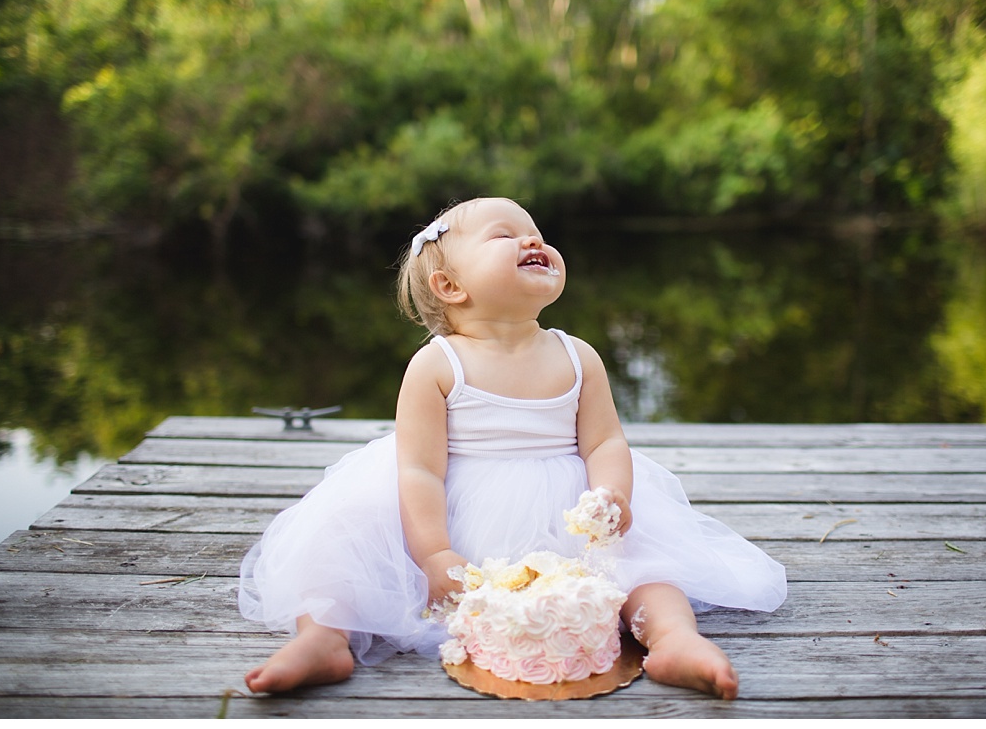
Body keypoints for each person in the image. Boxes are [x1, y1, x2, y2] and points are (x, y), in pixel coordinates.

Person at [239, 197, 786, 699]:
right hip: (447, 511)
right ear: (451, 285)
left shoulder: (578, 356)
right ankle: (326, 637)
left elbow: (605, 440)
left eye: (537, 233)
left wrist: (612, 494)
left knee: (646, 563)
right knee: (341, 536)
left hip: (564, 511)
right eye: (506, 235)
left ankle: (671, 639)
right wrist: (433, 552)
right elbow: (420, 470)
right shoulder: (437, 364)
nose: (533, 241)